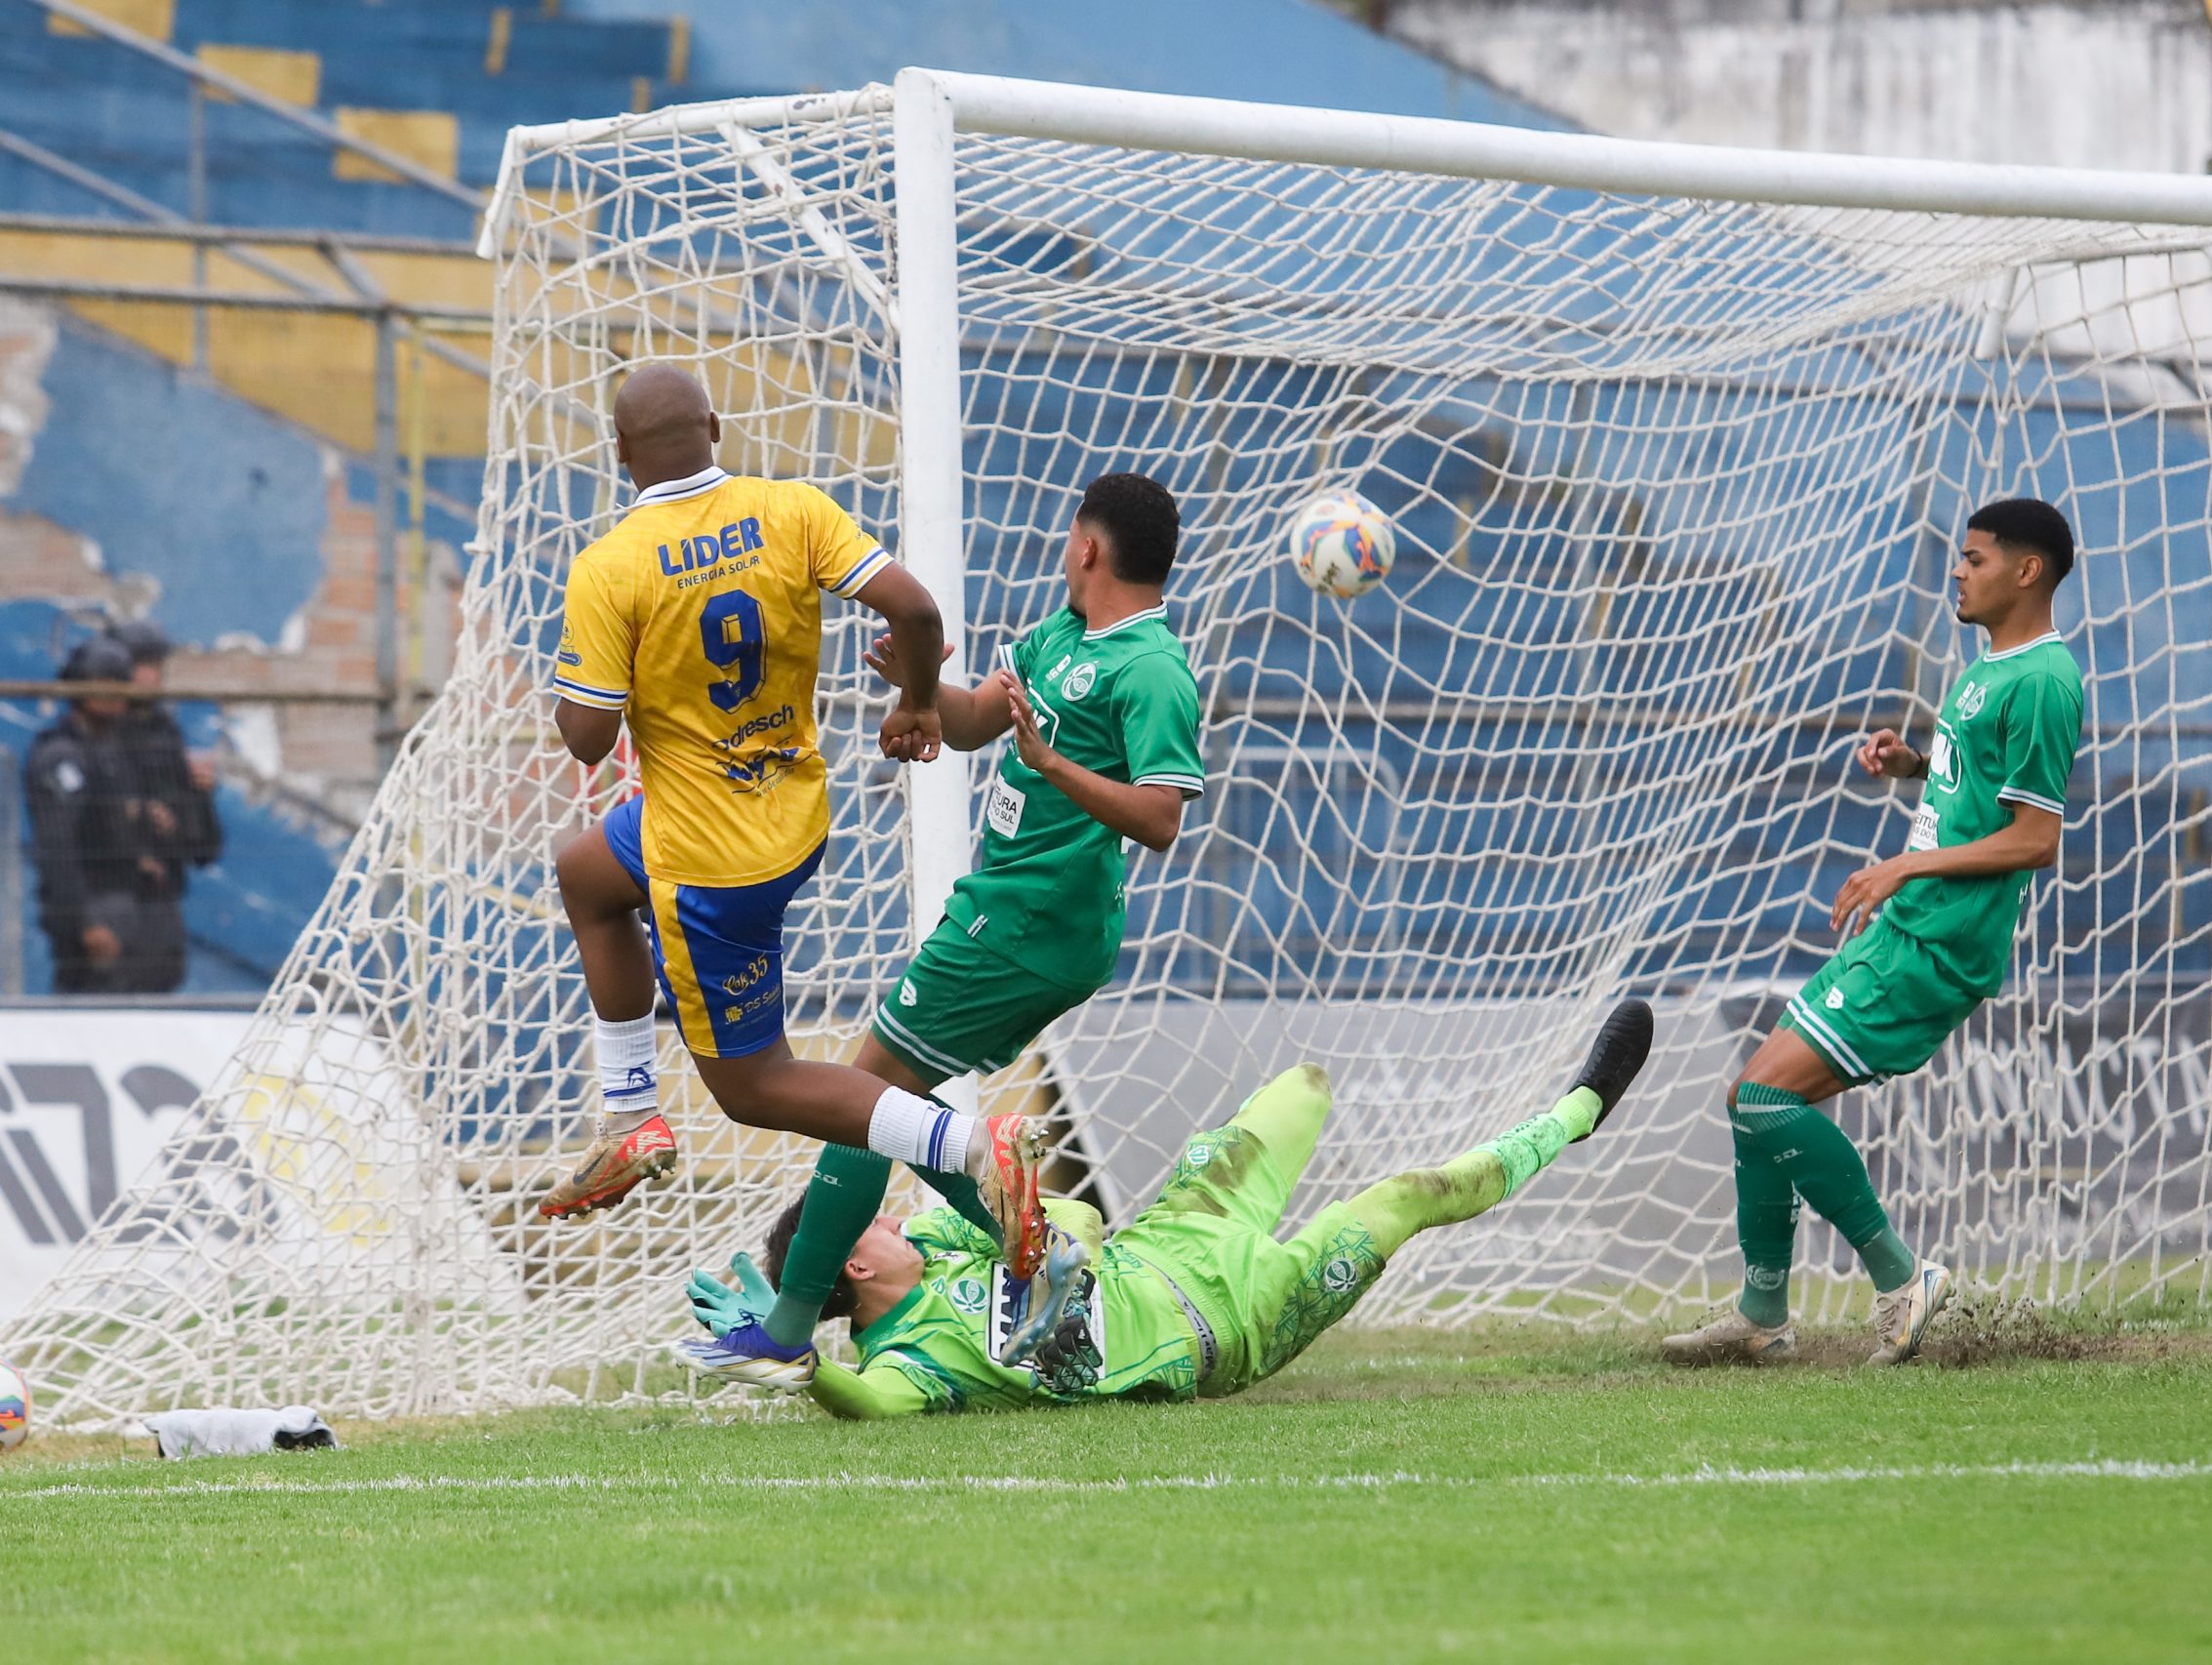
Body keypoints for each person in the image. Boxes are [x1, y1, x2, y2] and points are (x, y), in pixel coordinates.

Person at [686, 469, 1204, 1388]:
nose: (1064, 550)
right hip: (1003, 908)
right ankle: (1042, 1262)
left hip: (1032, 921)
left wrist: (1053, 765)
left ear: (1089, 545)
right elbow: (971, 724)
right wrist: (920, 689)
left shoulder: (1152, 668)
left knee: (865, 1099)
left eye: (1070, 536)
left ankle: (792, 1325)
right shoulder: (1061, 633)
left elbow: (1161, 819)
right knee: (887, 1108)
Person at [536, 364, 1052, 1281]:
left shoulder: (610, 567)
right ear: (715, 428)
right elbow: (915, 609)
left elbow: (586, 739)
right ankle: (630, 1114)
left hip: (708, 863)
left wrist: (599, 666)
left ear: (619, 453)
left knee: (754, 1086)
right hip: (792, 813)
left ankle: (976, 1147)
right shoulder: (792, 509)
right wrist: (918, 702)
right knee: (587, 874)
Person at [682, 1000, 1655, 1416]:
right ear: (854, 1266)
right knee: (1404, 1199)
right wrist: (806, 1368)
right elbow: (866, 1405)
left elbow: (1075, 1223)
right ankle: (1576, 1112)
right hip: (1237, 1319)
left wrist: (972, 1185)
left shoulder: (937, 1238)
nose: (893, 1217)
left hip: (1177, 1235)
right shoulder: (910, 1362)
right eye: (871, 1224)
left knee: (1304, 1089)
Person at [1661, 498, 2086, 1366]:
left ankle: (1900, 1276)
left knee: (1764, 1099)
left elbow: (2036, 840)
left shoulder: (2044, 680)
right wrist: (1916, 766)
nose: (1957, 571)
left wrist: (1902, 868)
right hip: (1906, 927)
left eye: (1974, 559)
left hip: (1939, 942)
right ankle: (1763, 1314)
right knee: (1754, 1100)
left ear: (2026, 570)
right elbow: (1979, 786)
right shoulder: (1987, 670)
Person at [21, 637, 155, 993]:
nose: (112, 695)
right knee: (88, 1002)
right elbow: (57, 846)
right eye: (101, 682)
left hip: (121, 902)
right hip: (89, 908)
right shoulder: (62, 754)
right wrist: (84, 921)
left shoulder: (111, 751)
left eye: (119, 683)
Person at [106, 618, 222, 992]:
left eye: (156, 665)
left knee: (160, 985)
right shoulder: (95, 733)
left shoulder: (165, 732)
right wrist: (136, 814)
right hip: (107, 899)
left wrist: (199, 793)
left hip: (160, 900)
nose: (151, 676)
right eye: (141, 665)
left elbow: (202, 847)